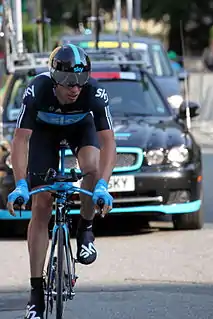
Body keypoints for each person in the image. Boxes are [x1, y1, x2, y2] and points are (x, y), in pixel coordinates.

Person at [7, 44, 116, 319]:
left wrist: (103, 184)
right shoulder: (38, 89)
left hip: (81, 128)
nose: (75, 89)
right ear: (54, 78)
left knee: (91, 170)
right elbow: (21, 140)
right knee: (41, 203)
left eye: (81, 81)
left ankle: (86, 229)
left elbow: (108, 142)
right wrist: (21, 184)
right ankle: (35, 294)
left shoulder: (93, 93)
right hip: (44, 133)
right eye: (68, 82)